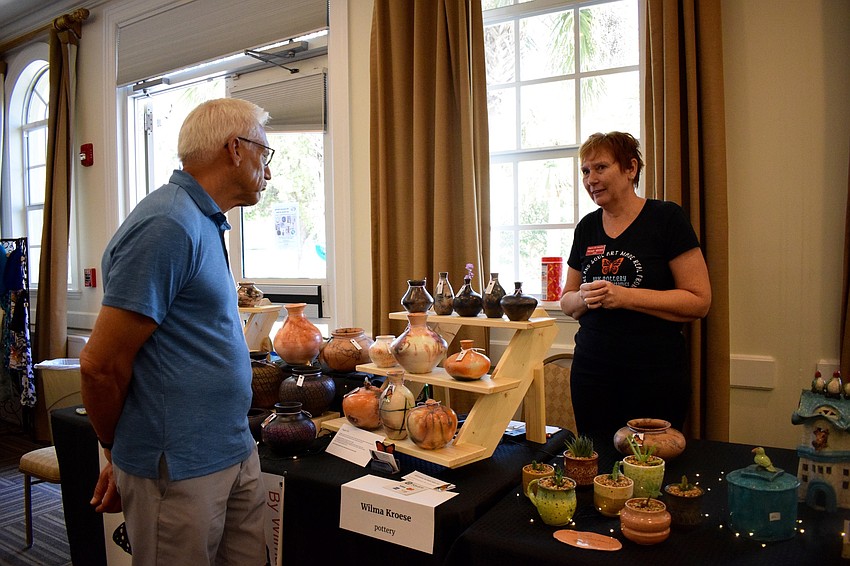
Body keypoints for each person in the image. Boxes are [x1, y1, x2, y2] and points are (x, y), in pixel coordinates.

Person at [80, 98, 274, 565]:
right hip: (180, 469)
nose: (268, 172)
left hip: (232, 451)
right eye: (265, 156)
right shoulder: (168, 224)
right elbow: (100, 366)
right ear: (235, 149)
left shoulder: (203, 220)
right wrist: (115, 451)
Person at [559, 132, 711, 440]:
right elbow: (566, 301)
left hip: (654, 373)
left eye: (601, 168)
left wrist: (626, 297)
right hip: (592, 372)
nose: (591, 179)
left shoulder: (666, 218)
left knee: (650, 468)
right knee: (597, 464)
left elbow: (699, 301)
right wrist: (584, 297)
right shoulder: (587, 227)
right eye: (585, 171)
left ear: (631, 169)